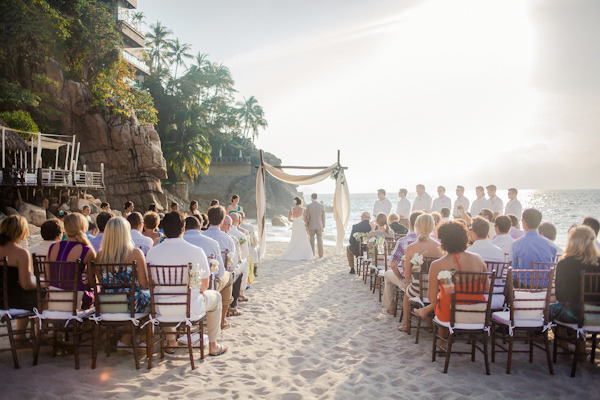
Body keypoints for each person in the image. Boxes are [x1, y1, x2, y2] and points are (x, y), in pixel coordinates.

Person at [146, 211, 227, 356]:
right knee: (216, 297)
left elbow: (148, 283)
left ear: (163, 229)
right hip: (190, 308)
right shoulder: (196, 251)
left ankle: (171, 342)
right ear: (183, 228)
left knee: (165, 296)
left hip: (161, 309)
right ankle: (213, 345)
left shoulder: (152, 252)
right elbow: (203, 287)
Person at [414, 221, 489, 321]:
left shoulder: (437, 264)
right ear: (465, 238)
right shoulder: (478, 259)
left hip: (449, 314)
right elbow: (486, 289)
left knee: (443, 300)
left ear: (443, 241)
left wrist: (447, 289)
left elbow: (431, 298)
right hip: (478, 311)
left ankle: (444, 335)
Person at [95, 217, 149, 349]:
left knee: (130, 298)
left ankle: (125, 340)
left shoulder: (100, 256)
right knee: (152, 299)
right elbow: (143, 284)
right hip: (130, 304)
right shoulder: (135, 253)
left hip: (106, 303)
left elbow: (101, 282)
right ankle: (143, 340)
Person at [184, 216, 233, 330]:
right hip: (204, 287)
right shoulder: (211, 243)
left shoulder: (178, 243)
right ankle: (222, 320)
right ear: (200, 226)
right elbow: (220, 272)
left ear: (183, 228)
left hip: (178, 290)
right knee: (228, 277)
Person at [399, 214, 443, 331]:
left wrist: (408, 282)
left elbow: (407, 275)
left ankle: (405, 324)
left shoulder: (412, 247)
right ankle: (429, 324)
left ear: (416, 226)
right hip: (437, 289)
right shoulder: (440, 247)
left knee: (406, 293)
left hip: (418, 289)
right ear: (432, 227)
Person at [549, 225, 600, 323]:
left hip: (575, 314)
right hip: (597, 314)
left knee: (550, 310)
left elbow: (560, 296)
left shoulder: (564, 264)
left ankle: (566, 336)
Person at [47, 213, 96, 310]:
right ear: (83, 227)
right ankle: (86, 324)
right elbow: (92, 282)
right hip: (75, 300)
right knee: (95, 293)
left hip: (53, 297)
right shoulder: (87, 250)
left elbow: (48, 278)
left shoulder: (53, 247)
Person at [0, 216, 37, 339]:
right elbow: (25, 285)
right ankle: (22, 337)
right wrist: (40, 284)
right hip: (9, 299)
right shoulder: (20, 253)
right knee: (41, 295)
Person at [382, 211, 421, 314]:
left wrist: (400, 277)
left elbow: (393, 265)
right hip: (426, 283)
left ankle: (391, 308)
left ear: (410, 224)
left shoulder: (403, 241)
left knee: (387, 274)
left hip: (409, 282)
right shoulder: (433, 243)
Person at [306, 193, 326, 258]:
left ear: (311, 198)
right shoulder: (322, 206)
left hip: (311, 225)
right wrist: (323, 226)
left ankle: (312, 255)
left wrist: (307, 225)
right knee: (320, 240)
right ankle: (321, 255)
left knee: (311, 240)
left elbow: (307, 217)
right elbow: (323, 217)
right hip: (320, 225)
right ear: (317, 198)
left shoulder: (308, 206)